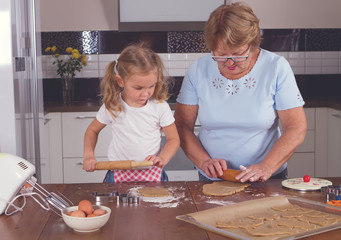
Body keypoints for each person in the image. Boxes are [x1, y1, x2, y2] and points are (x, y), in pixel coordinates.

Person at [174, 2, 307, 183]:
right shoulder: (198, 69)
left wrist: (267, 166)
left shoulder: (276, 67)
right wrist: (204, 161)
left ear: (252, 43)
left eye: (237, 54)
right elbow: (182, 127)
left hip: (266, 177)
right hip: (213, 178)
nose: (229, 63)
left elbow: (296, 128)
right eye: (220, 55)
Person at [83, 42, 180, 182]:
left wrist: (163, 158)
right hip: (118, 173)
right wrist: (88, 155)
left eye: (151, 86)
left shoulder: (160, 107)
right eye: (138, 88)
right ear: (121, 81)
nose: (145, 94)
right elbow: (92, 131)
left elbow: (173, 139)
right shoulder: (113, 105)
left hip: (152, 173)